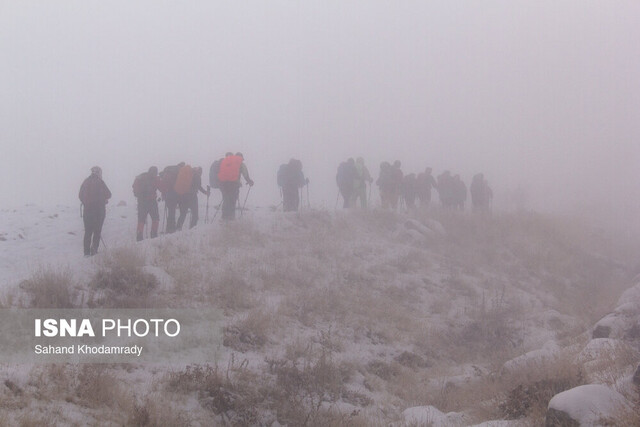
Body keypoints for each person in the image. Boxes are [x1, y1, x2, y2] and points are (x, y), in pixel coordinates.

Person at [78, 166, 111, 256]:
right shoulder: (100, 182)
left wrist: (87, 203)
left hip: (87, 211)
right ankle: (94, 250)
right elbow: (109, 194)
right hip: (99, 211)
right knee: (97, 231)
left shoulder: (86, 182)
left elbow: (80, 195)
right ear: (99, 173)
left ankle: (86, 252)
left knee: (88, 231)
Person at [218, 152, 254, 220]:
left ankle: (224, 217)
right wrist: (249, 181)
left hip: (223, 184)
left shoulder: (226, 162)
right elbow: (245, 174)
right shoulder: (240, 164)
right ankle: (231, 218)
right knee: (232, 201)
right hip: (233, 185)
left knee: (226, 200)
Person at [133, 166, 160, 241]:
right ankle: (154, 234)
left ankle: (139, 236)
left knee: (141, 219)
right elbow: (161, 187)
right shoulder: (155, 179)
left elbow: (135, 188)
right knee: (156, 218)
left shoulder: (141, 177)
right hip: (152, 202)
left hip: (142, 202)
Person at [158, 162, 184, 233]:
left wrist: (164, 194)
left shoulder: (168, 172)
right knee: (176, 212)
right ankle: (173, 228)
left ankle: (169, 229)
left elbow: (164, 184)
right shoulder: (178, 172)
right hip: (176, 193)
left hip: (168, 194)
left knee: (171, 212)